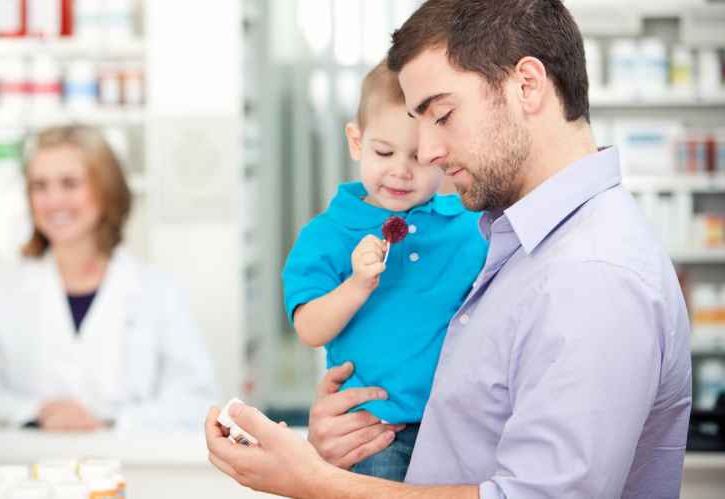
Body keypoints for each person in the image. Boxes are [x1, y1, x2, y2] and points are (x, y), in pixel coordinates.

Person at [205, 1, 692, 498]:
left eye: (442, 114)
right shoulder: (511, 241)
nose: (429, 152)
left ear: (527, 85)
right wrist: (346, 443)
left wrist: (315, 482)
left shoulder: (593, 275)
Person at [281, 59, 487, 481]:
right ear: (356, 142)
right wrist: (357, 285)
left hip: (458, 430)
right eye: (384, 151)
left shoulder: (470, 227)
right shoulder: (327, 235)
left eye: (417, 156)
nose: (401, 170)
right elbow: (309, 328)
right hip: (375, 432)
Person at [0, 125, 217, 432]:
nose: (53, 200)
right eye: (40, 186)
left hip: (132, 467)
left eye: (70, 183)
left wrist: (108, 421)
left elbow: (196, 400)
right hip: (25, 471)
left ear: (106, 191)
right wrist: (39, 412)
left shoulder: (157, 290)